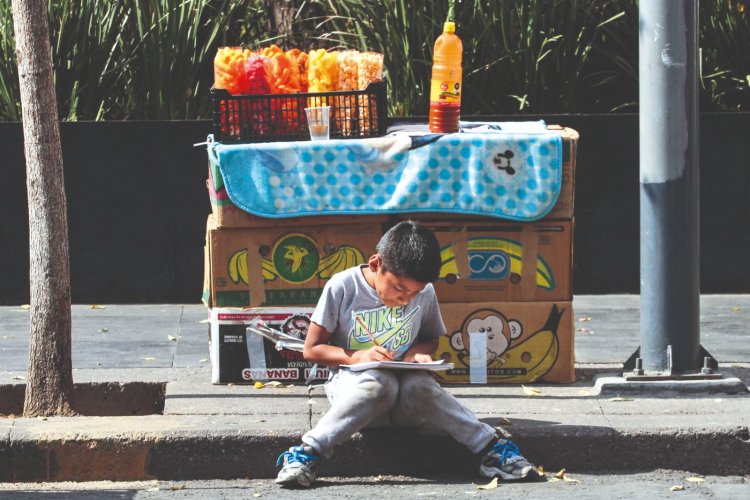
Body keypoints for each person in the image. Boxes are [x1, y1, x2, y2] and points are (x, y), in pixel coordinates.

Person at [275, 220, 539, 488]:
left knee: (420, 385)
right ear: (376, 264)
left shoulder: (425, 292)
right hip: (359, 398)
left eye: (416, 292)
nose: (407, 299)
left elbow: (429, 338)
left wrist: (417, 354)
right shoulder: (342, 286)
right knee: (380, 383)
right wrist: (357, 357)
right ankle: (305, 453)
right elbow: (312, 348)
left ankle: (492, 450)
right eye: (400, 289)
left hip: (408, 409)